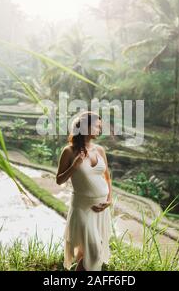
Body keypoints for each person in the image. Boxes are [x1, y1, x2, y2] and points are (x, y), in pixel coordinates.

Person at [56, 111, 113, 271]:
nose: (99, 130)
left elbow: (107, 178)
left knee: (87, 255)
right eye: (96, 126)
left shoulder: (100, 150)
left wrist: (109, 200)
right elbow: (59, 179)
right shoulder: (69, 151)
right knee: (94, 253)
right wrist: (74, 166)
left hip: (100, 209)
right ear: (85, 127)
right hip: (82, 208)